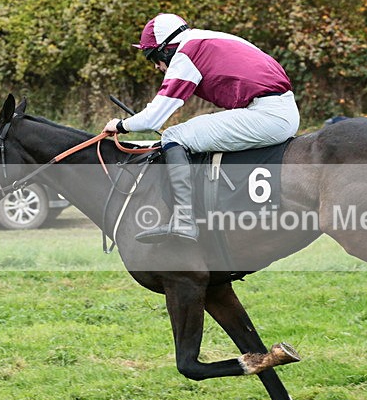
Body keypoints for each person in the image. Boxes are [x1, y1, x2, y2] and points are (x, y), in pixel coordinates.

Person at [104, 13, 299, 243]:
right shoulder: (206, 39)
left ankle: (184, 221)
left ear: (167, 49)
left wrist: (120, 125)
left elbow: (152, 120)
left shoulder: (185, 54)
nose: (157, 66)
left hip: (267, 114)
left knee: (173, 135)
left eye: (153, 57)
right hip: (280, 108)